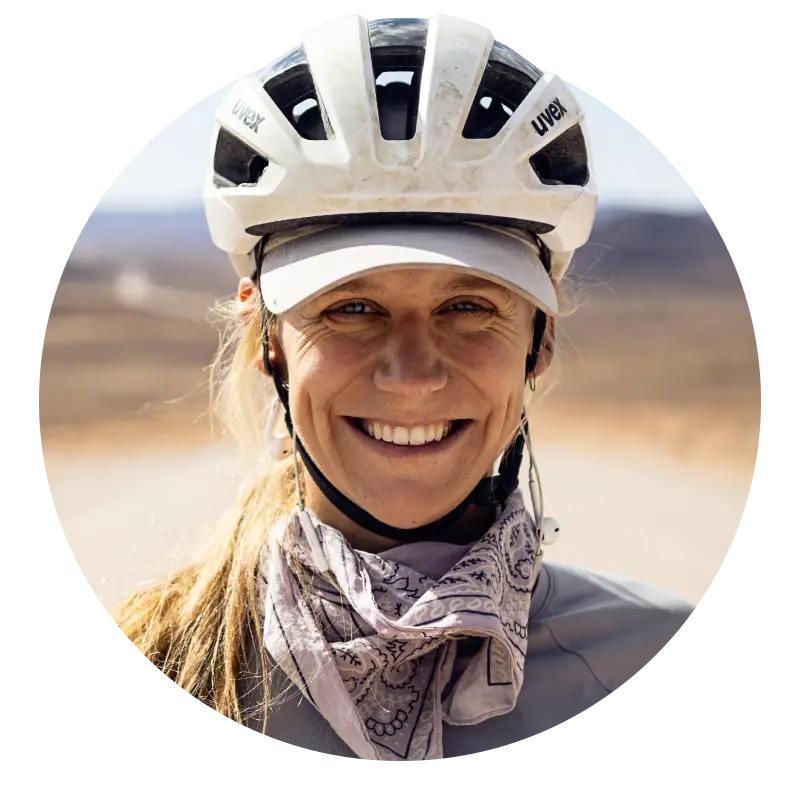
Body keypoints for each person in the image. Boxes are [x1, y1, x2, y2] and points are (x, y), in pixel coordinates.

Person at [113, 14, 693, 761]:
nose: (413, 376)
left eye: (468, 306)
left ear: (540, 339)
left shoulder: (665, 672)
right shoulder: (164, 654)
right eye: (352, 308)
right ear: (266, 338)